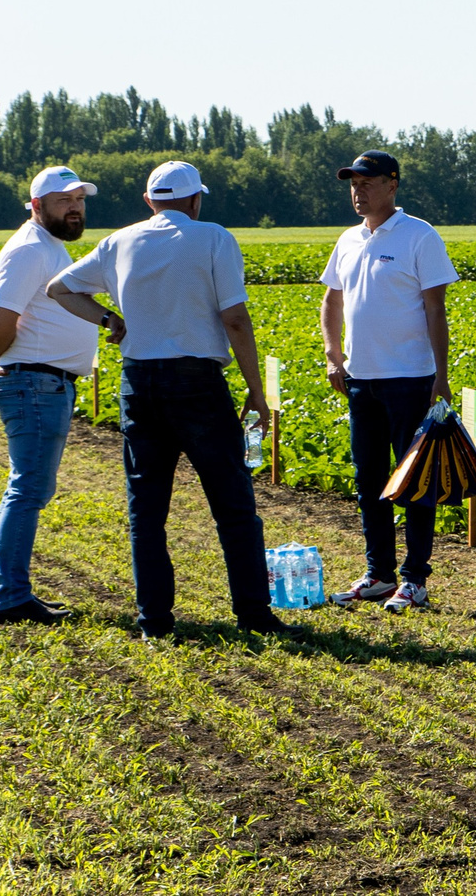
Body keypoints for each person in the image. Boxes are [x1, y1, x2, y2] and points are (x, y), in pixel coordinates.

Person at [47, 159, 291, 639]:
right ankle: (254, 614)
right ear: (196, 199)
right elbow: (236, 319)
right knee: (233, 504)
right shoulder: (214, 237)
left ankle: (153, 620)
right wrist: (256, 392)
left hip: (138, 385)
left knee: (148, 510)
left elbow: (60, 289)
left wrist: (107, 320)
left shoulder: (118, 241)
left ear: (149, 201)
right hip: (197, 384)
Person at [320, 150, 458, 614]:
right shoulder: (348, 239)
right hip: (361, 381)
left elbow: (435, 309)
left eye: (368, 183)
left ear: (392, 186)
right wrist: (333, 355)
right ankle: (378, 574)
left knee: (414, 481)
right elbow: (331, 302)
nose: (358, 192)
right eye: (353, 184)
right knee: (369, 479)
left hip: (410, 379)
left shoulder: (419, 235)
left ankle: (414, 579)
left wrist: (441, 376)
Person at [0, 165, 105, 625]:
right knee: (27, 489)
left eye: (80, 200)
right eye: (63, 200)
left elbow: (23, 319)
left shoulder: (48, 248)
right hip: (35, 383)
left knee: (30, 488)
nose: (74, 208)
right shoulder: (30, 250)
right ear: (36, 206)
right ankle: (8, 597)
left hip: (42, 381)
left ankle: (10, 592)